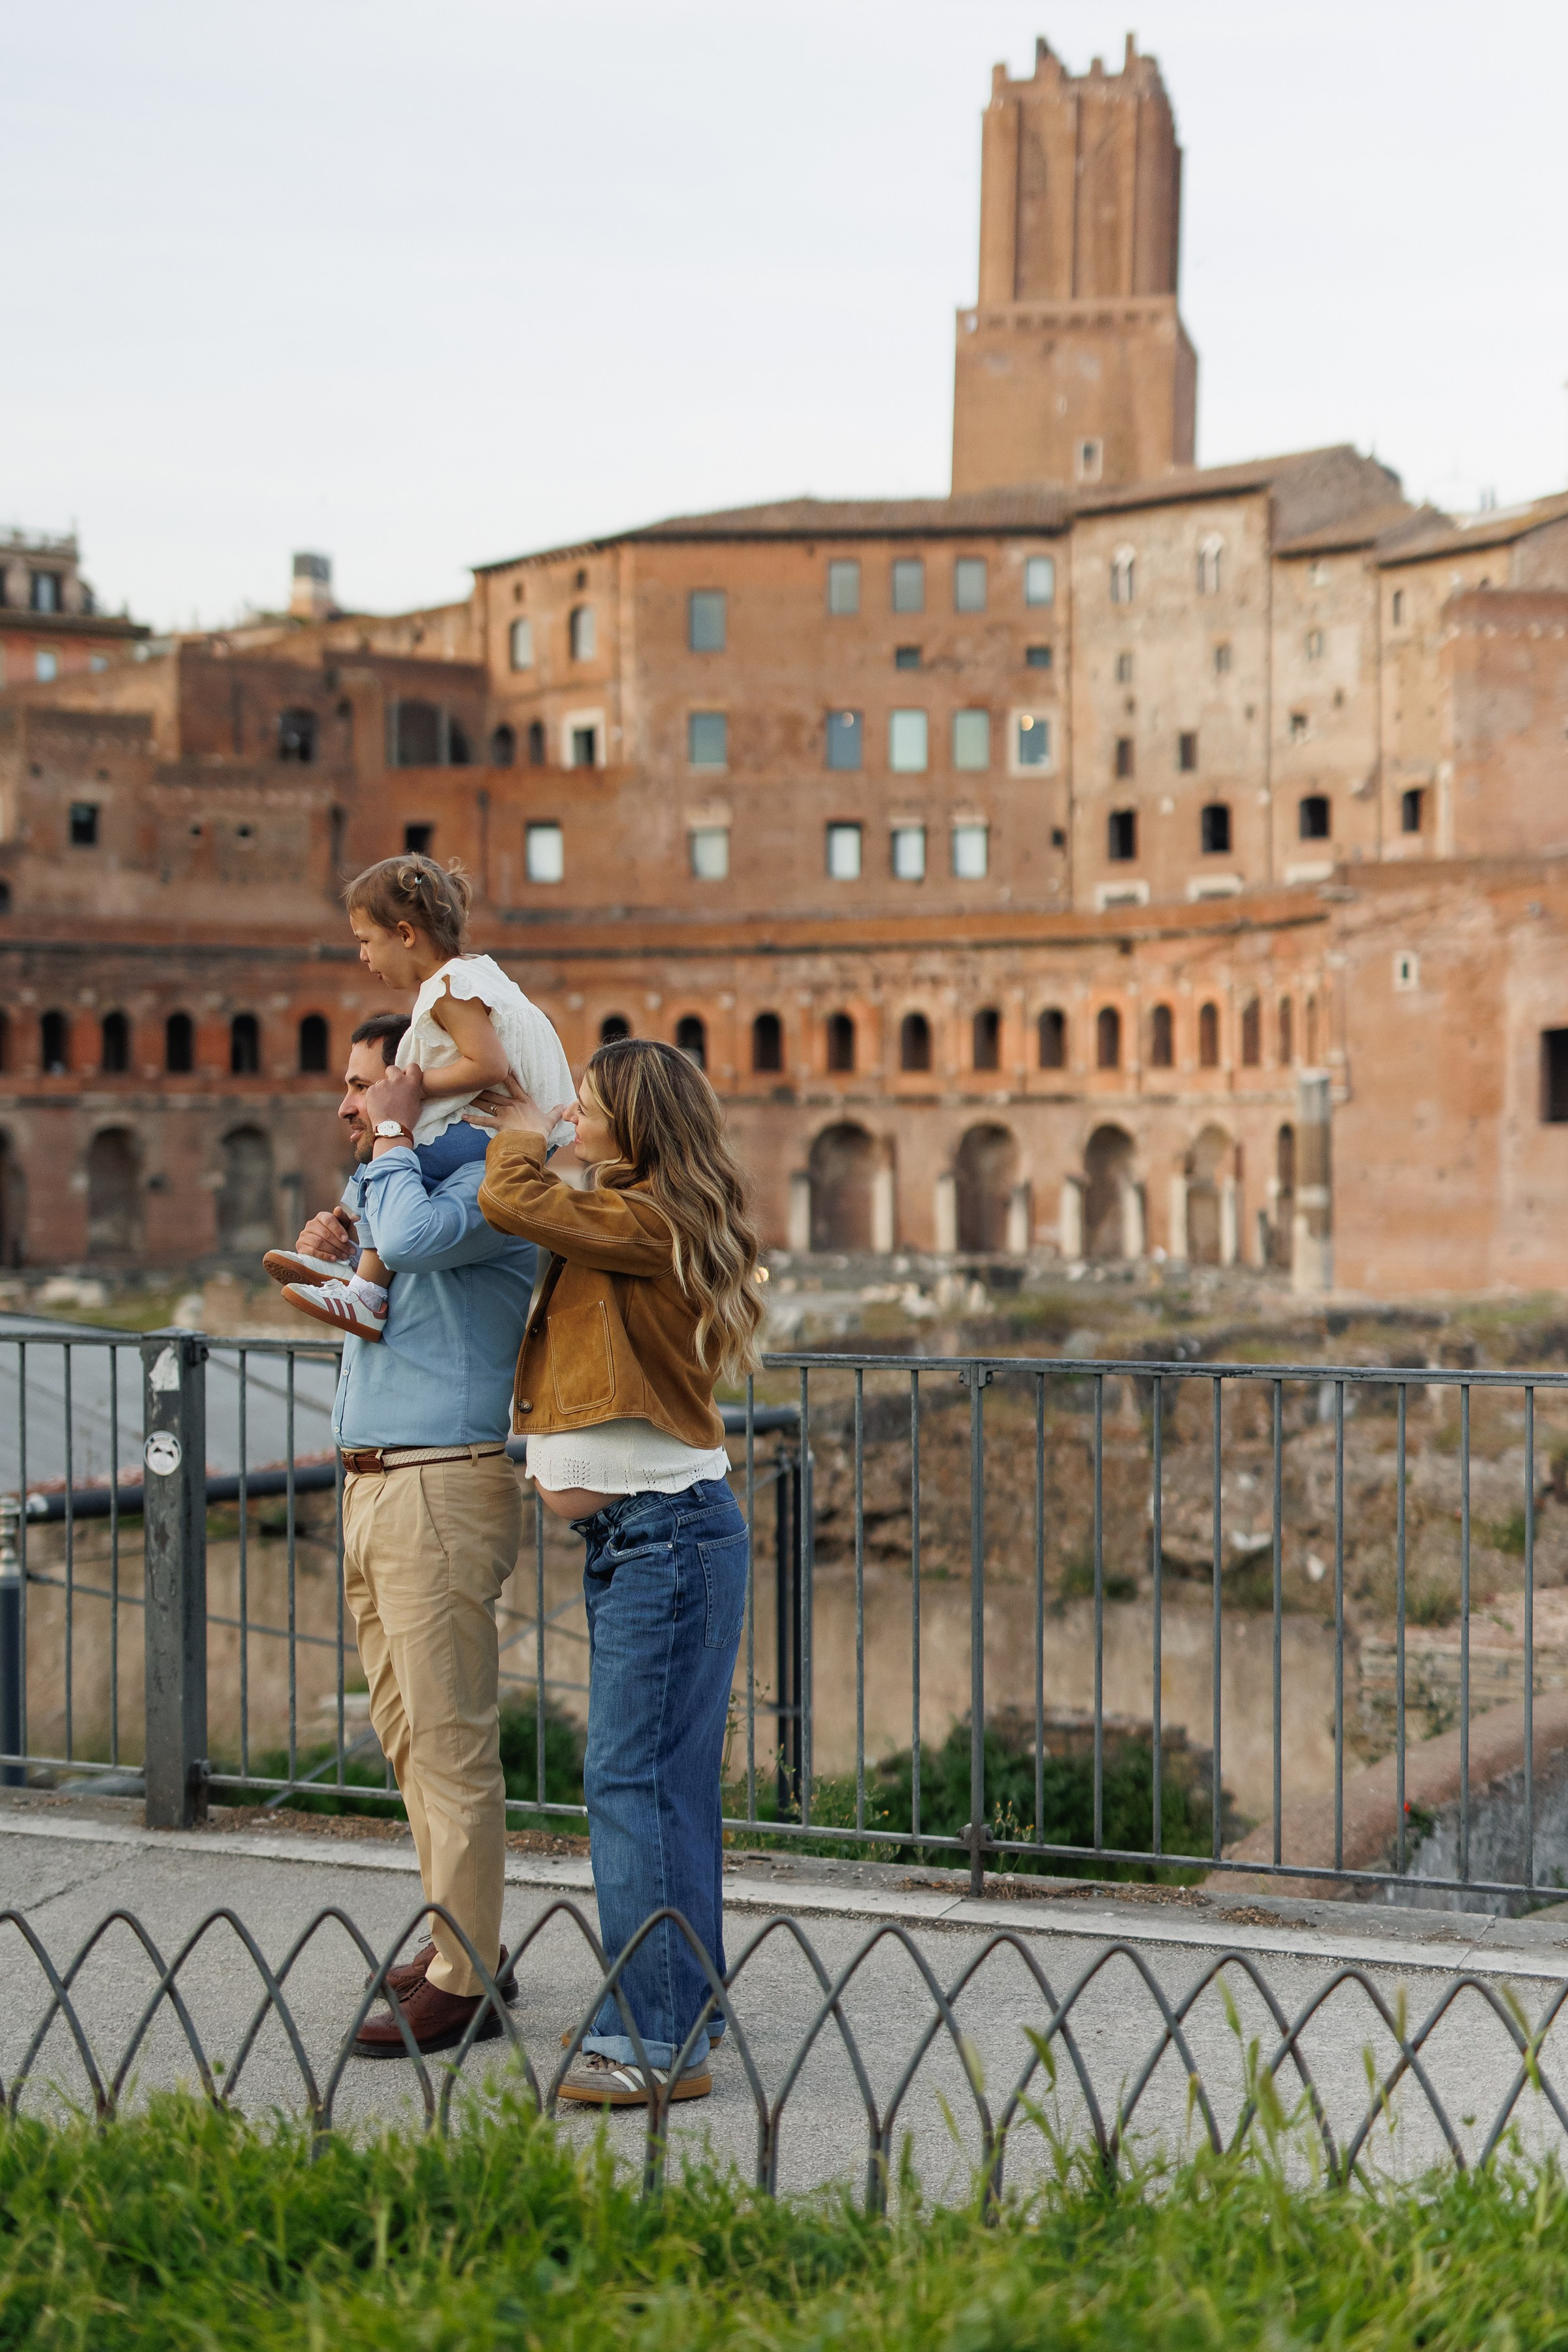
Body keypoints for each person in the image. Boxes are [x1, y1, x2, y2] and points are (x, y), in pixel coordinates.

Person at [474, 1036, 764, 2107]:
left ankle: (656, 2043)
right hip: (649, 1544)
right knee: (666, 1789)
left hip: (668, 1539)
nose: (572, 1117)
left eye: (588, 1106)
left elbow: (518, 1202)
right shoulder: (630, 1216)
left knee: (633, 1784)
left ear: (636, 1124)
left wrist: (518, 1134)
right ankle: (679, 2009)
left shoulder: (647, 1219)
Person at [295, 1013, 541, 2057]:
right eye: (352, 1090)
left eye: (367, 1085)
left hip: (439, 1485)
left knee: (448, 1743)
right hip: (377, 1484)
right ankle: (462, 1938)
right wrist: (326, 1268)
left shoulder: (493, 1172)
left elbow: (415, 1244)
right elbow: (380, 1306)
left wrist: (389, 1159)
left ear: (422, 1084)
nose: (351, 1105)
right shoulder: (390, 1186)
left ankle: (467, 1978)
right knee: (407, 1735)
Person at [270, 853, 572, 1339]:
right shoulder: (478, 975)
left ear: (407, 934)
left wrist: (407, 1091)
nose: (363, 956)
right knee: (391, 1158)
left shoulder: (450, 989)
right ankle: (350, 1258)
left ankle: (363, 1289)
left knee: (391, 1154)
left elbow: (488, 1065)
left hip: (494, 1132)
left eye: (367, 941)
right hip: (516, 1128)